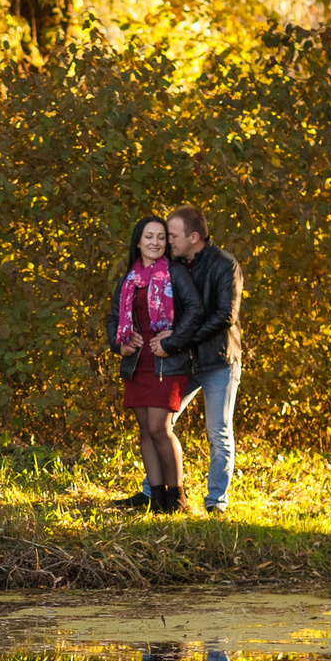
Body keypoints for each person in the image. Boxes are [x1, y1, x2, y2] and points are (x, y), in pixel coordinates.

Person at [158, 204, 244, 515]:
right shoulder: (175, 263)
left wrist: (180, 339)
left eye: (173, 236)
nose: (169, 242)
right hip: (185, 359)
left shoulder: (225, 266)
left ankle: (216, 502)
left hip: (219, 361)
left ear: (194, 237)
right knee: (161, 423)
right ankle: (155, 490)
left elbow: (225, 316)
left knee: (218, 431)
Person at [108, 215, 190, 513]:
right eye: (149, 237)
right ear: (138, 242)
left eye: (161, 237)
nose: (155, 242)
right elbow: (114, 319)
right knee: (144, 430)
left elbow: (195, 310)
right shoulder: (128, 279)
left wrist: (173, 339)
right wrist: (121, 344)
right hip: (137, 363)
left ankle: (177, 497)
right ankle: (156, 499)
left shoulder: (176, 274)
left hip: (167, 362)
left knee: (159, 427)